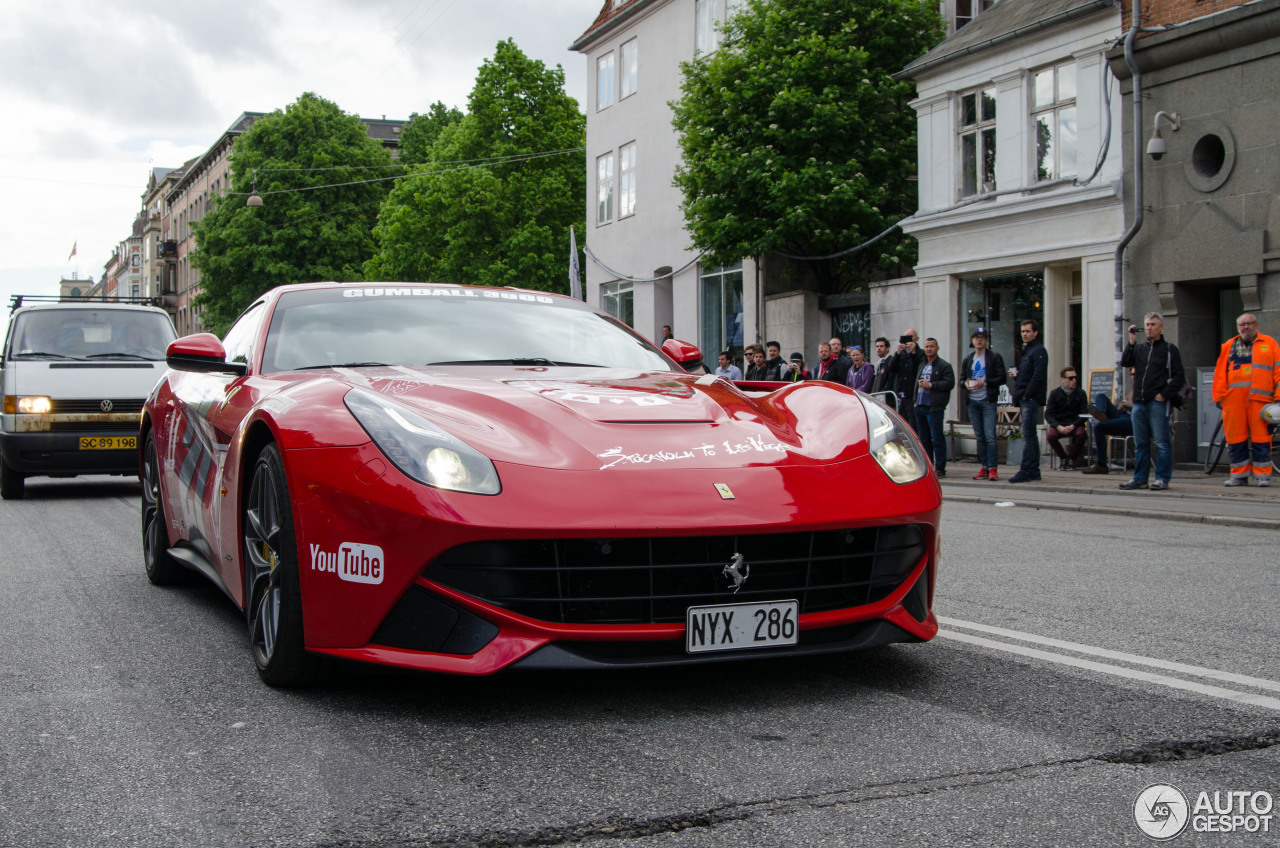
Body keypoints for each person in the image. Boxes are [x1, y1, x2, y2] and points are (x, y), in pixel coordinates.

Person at [1119, 312, 1185, 491]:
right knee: (1140, 443)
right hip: (1139, 402)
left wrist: (1164, 394)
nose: (1149, 328)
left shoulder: (1169, 349)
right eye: (1147, 324)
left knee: (1161, 441)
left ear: (1161, 327)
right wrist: (1131, 341)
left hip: (1157, 402)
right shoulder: (1140, 348)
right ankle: (1140, 478)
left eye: (1153, 324)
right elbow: (1125, 362)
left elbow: (1179, 377)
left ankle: (1162, 478)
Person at [1212, 313, 1279, 487]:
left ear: (1256, 325)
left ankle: (1263, 476)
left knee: (1261, 438)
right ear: (1237, 327)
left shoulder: (1269, 344)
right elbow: (1220, 372)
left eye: (1249, 324)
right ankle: (1239, 475)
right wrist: (1219, 396)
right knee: (1235, 438)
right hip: (1233, 401)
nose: (1245, 327)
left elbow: (1278, 372)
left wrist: (1278, 398)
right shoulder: (1228, 345)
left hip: (1261, 400)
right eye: (1242, 324)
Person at [959, 327, 1006, 480]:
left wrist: (985, 383)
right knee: (980, 436)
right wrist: (965, 384)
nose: (979, 340)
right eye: (976, 337)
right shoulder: (968, 359)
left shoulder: (994, 357)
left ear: (986, 341)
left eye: (982, 337)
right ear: (972, 341)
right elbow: (961, 379)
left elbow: (1002, 378)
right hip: (973, 401)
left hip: (987, 400)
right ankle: (984, 466)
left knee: (990, 435)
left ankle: (993, 467)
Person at [1009, 319, 1048, 483]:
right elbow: (1029, 374)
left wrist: (1026, 394)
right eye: (1023, 331)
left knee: (1028, 435)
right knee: (1029, 434)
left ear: (1035, 332)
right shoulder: (1028, 351)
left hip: (1030, 398)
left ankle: (1027, 468)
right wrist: (1017, 377)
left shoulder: (1038, 350)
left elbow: (1038, 375)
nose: (1024, 334)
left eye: (1027, 331)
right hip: (1026, 396)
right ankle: (1032, 469)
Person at [912, 338, 954, 477]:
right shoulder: (922, 364)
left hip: (934, 407)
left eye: (932, 346)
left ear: (937, 348)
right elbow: (916, 384)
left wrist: (931, 385)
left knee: (937, 438)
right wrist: (914, 401)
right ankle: (929, 467)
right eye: (927, 346)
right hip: (920, 405)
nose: (929, 349)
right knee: (924, 440)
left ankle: (940, 468)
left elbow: (949, 383)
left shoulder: (944, 365)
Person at [1045, 366, 1088, 470]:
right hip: (1060, 424)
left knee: (1081, 434)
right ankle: (1063, 458)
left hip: (1074, 424)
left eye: (1075, 378)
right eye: (1071, 378)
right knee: (1051, 436)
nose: (1074, 380)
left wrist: (1073, 425)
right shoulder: (1055, 393)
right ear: (1063, 379)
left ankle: (1071, 458)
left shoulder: (1080, 393)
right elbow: (1048, 414)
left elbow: (1084, 414)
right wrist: (1057, 426)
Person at [1080, 393, 1133, 474]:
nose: (1133, 379)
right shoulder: (1135, 386)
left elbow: (1137, 404)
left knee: (1099, 427)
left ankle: (1101, 464)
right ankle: (1101, 413)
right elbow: (1122, 404)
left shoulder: (1147, 386)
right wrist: (1123, 404)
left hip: (1133, 419)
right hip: (1122, 414)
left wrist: (1126, 403)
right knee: (1100, 396)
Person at [888, 329, 926, 427]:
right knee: (900, 425)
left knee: (913, 425)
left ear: (916, 339)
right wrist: (898, 354)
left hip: (912, 396)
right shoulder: (902, 354)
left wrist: (914, 353)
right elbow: (891, 369)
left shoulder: (921, 353)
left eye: (911, 337)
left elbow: (919, 369)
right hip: (900, 395)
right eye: (906, 337)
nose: (908, 340)